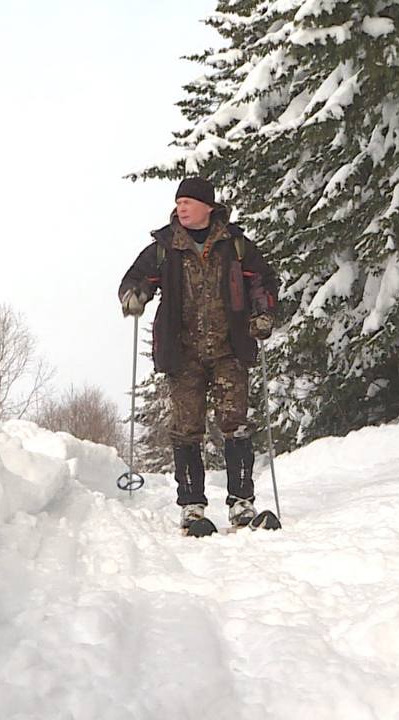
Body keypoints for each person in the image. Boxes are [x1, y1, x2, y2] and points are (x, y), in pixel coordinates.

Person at [118, 177, 279, 532]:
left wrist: (263, 312)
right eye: (178, 203)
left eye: (188, 202)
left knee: (235, 425)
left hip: (230, 349)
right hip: (183, 352)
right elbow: (136, 277)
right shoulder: (165, 247)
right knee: (187, 430)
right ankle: (192, 507)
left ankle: (241, 503)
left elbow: (263, 280)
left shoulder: (235, 245)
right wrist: (134, 295)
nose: (181, 208)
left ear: (208, 206)